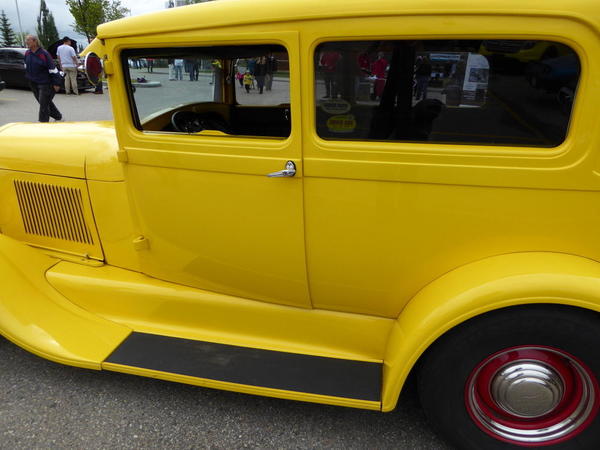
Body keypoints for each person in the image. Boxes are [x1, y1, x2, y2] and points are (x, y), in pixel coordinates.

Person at [24, 34, 62, 122]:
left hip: (45, 83)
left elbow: (52, 69)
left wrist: (57, 83)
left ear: (35, 41)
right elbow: (26, 65)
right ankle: (58, 117)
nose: (26, 42)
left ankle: (42, 123)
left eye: (28, 40)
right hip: (33, 82)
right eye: (26, 40)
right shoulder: (27, 53)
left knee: (44, 104)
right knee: (43, 102)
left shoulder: (44, 54)